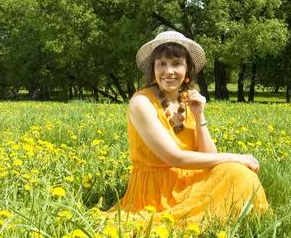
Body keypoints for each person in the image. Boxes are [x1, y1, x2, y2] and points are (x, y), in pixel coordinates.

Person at [107, 31, 269, 225]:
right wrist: (236, 157)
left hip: (188, 180)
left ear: (187, 68)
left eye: (176, 63)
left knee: (240, 174)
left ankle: (237, 221)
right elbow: (173, 157)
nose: (169, 71)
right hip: (155, 192)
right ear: (153, 68)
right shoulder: (142, 102)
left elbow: (209, 155)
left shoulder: (188, 100)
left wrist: (199, 115)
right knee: (237, 168)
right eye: (161, 64)